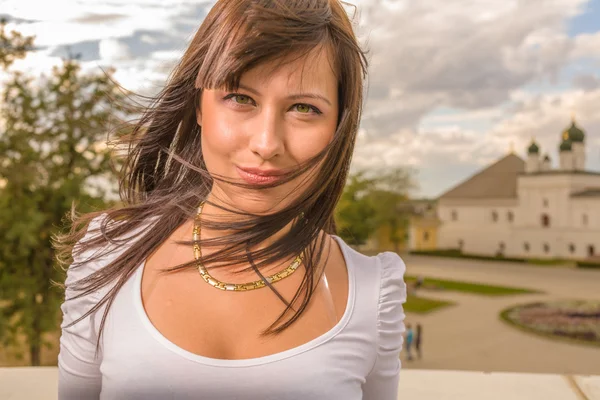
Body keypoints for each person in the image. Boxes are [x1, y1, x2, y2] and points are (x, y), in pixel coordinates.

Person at [55, 1, 407, 399]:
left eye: (304, 108)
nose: (266, 144)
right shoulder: (107, 254)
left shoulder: (373, 292)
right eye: (240, 98)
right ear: (198, 104)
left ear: (338, 126)